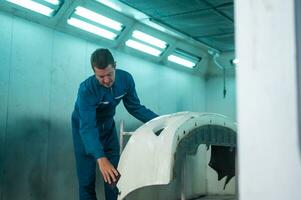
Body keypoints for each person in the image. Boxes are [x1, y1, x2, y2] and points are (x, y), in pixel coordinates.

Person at [71, 48, 158, 200]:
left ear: (115, 66)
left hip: (107, 129)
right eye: (100, 76)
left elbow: (135, 107)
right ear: (94, 72)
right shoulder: (86, 90)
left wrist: (162, 121)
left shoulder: (126, 80)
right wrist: (100, 157)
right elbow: (88, 127)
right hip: (84, 131)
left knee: (113, 179)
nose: (106, 80)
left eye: (109, 74)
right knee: (87, 181)